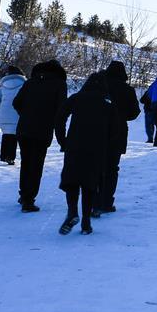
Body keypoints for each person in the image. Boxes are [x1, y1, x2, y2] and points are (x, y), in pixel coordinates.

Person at [54, 72, 118, 235]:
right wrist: (106, 145)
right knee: (90, 184)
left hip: (74, 145)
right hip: (96, 149)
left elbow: (60, 117)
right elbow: (114, 129)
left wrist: (63, 141)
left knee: (72, 180)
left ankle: (72, 212)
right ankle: (86, 223)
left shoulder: (77, 98)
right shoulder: (107, 104)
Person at [12, 60, 68, 213]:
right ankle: (28, 200)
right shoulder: (60, 85)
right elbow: (61, 112)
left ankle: (24, 195)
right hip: (42, 131)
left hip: (23, 129)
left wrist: (26, 114)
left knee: (26, 162)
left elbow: (16, 102)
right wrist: (61, 138)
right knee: (36, 165)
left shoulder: (31, 82)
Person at [94, 60, 141, 215]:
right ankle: (106, 203)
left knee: (96, 167)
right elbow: (135, 112)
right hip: (118, 132)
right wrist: (121, 116)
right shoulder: (128, 90)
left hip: (97, 130)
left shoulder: (98, 85)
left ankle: (95, 201)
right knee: (112, 169)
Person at [0, 65, 26, 165]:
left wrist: (2, 107)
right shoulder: (24, 84)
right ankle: (10, 158)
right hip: (17, 113)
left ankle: (3, 156)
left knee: (6, 134)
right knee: (14, 136)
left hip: (4, 114)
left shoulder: (4, 84)